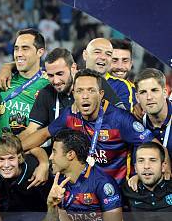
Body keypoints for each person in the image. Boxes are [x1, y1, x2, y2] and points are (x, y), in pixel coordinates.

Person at [22, 69, 157, 184]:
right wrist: (13, 151)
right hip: (82, 190)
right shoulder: (70, 114)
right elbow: (44, 134)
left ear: (101, 94)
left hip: (114, 190)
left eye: (91, 91)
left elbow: (155, 145)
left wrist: (162, 168)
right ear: (74, 94)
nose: (85, 96)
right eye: (80, 91)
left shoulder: (120, 119)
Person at [22, 48, 121, 141]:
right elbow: (31, 130)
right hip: (59, 152)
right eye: (51, 75)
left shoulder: (94, 82)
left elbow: (122, 115)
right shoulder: (46, 92)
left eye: (60, 74)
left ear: (73, 68)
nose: (56, 81)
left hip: (96, 149)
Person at [0, 29, 49, 136]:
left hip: (30, 149)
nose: (19, 54)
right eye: (16, 49)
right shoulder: (0, 78)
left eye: (25, 49)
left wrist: (8, 65)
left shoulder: (49, 84)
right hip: (0, 149)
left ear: (40, 52)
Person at [0, 133, 51, 221]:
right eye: (1, 159)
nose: (6, 165)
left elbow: (53, 206)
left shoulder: (34, 169)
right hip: (10, 216)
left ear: (19, 157)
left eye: (11, 158)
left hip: (39, 215)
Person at [82, 37, 136, 111]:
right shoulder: (73, 81)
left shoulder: (125, 87)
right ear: (85, 55)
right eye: (97, 52)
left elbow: (122, 119)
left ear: (131, 64)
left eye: (108, 54)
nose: (119, 66)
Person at [134, 68, 171, 156]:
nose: (149, 97)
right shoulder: (135, 123)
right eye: (143, 92)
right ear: (137, 97)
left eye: (154, 90)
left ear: (165, 92)